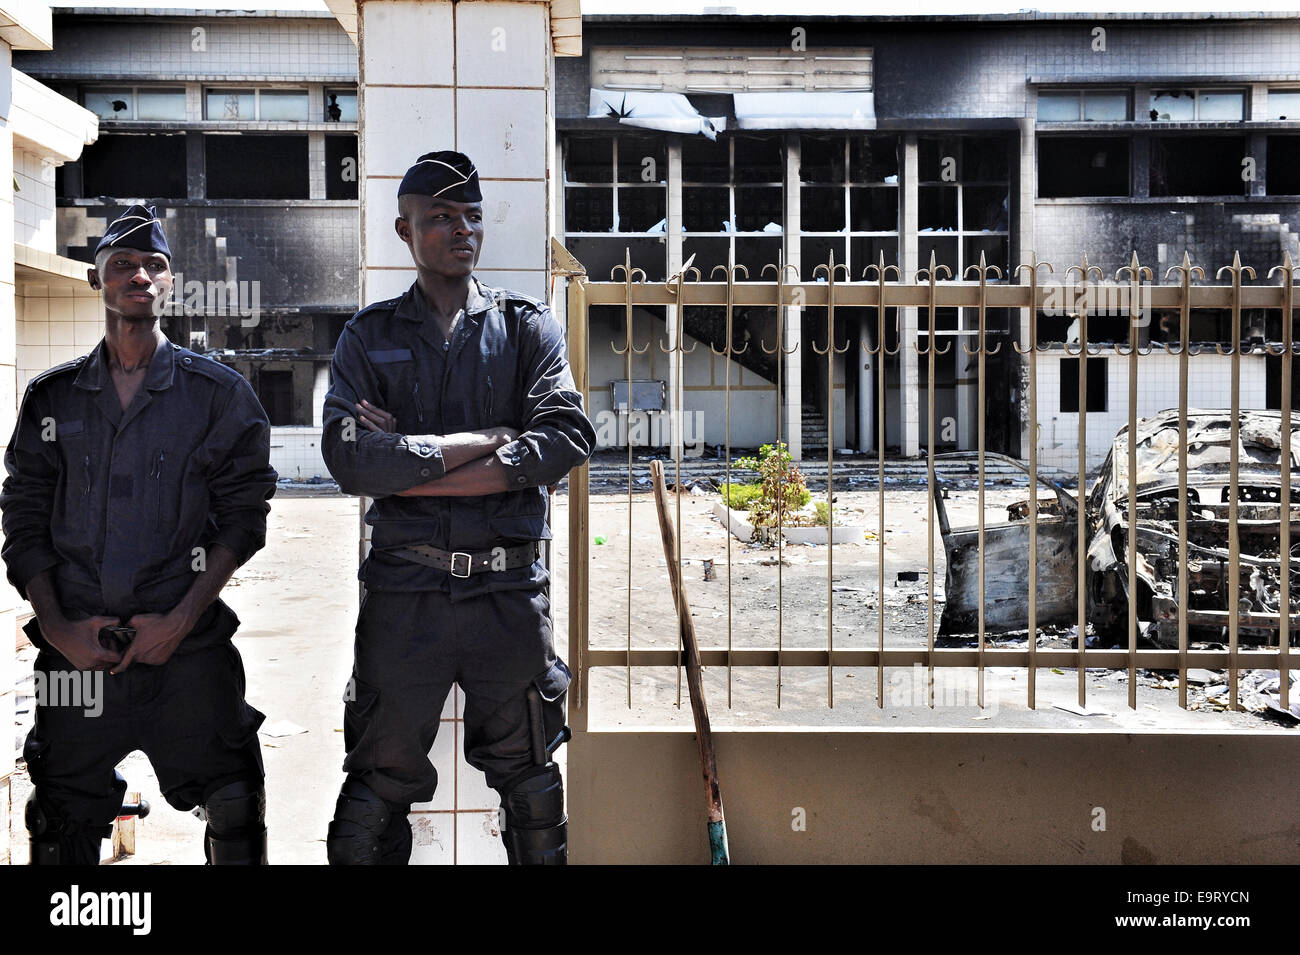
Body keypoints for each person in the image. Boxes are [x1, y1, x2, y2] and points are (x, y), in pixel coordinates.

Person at [321, 151, 595, 865]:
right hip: (403, 593)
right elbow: (349, 457)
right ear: (403, 229)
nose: (461, 229)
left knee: (533, 787)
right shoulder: (368, 337)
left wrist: (407, 467)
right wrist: (486, 446)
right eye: (440, 217)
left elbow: (565, 437)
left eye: (471, 215)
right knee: (371, 800)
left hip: (505, 594)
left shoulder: (526, 329)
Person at [1, 205, 278, 864]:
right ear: (98, 279)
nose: (141, 276)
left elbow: (245, 513)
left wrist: (180, 619)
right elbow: (23, 515)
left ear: (172, 284)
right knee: (61, 816)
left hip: (186, 649)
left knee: (237, 799)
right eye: (123, 264)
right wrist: (60, 627)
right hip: (77, 654)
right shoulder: (53, 398)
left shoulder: (217, 395)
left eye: (155, 265)